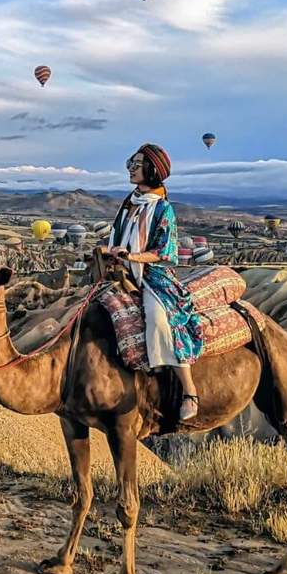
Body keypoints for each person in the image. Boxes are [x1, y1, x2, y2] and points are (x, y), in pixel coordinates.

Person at [100, 143, 203, 421]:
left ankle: (188, 390)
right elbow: (117, 236)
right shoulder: (129, 201)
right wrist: (110, 253)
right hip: (122, 270)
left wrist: (132, 255)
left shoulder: (163, 209)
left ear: (152, 170)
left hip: (153, 276)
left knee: (159, 320)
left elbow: (164, 252)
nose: (131, 168)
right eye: (130, 163)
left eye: (137, 164)